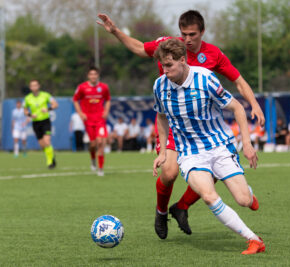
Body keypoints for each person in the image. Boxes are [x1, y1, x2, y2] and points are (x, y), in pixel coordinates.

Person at [98, 10, 265, 239]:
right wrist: (115, 31)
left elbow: (238, 79)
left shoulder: (213, 54)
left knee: (212, 170)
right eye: (184, 34)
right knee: (169, 172)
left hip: (202, 127)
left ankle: (183, 206)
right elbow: (138, 48)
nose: (187, 39)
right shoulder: (168, 47)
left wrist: (253, 103)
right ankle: (161, 211)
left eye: (192, 34)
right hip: (175, 124)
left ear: (202, 33)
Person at [152, 39, 265, 254]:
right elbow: (161, 116)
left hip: (219, 146)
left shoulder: (205, 79)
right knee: (208, 195)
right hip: (190, 153)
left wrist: (248, 144)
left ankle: (249, 195)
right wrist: (164, 151)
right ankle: (253, 239)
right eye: (162, 65)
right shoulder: (160, 86)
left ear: (183, 61)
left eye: (169, 65)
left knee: (243, 199)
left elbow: (238, 108)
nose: (164, 70)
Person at [73, 67, 111, 177]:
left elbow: (108, 99)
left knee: (100, 142)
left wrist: (106, 111)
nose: (93, 76)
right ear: (88, 76)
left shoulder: (104, 87)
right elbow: (75, 99)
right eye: (91, 74)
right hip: (88, 120)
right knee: (93, 144)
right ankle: (93, 159)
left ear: (98, 75)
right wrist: (80, 113)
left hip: (100, 119)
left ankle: (100, 169)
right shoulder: (82, 87)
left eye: (95, 74)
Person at [23, 80, 58, 169]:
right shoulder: (27, 98)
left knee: (47, 141)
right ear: (30, 88)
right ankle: (51, 156)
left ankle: (50, 162)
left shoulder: (46, 95)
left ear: (39, 86)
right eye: (32, 86)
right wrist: (30, 115)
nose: (34, 87)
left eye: (36, 85)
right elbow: (25, 111)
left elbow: (55, 104)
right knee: (42, 145)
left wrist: (48, 109)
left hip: (45, 121)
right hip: (36, 123)